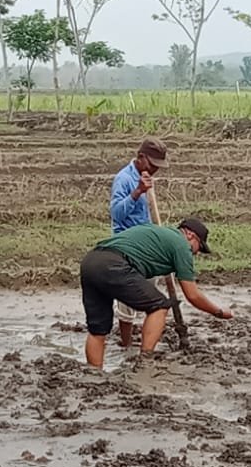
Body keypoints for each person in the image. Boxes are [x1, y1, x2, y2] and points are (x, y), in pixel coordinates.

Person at [79, 218, 232, 368]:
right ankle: (145, 361)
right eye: (199, 247)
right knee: (159, 306)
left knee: (97, 330)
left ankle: (94, 373)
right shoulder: (181, 245)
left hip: (91, 262)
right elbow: (192, 295)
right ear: (190, 235)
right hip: (115, 264)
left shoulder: (162, 234)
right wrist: (218, 312)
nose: (196, 253)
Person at [108, 139, 168, 347]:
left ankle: (145, 339)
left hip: (146, 246)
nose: (155, 170)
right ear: (141, 158)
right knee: (126, 299)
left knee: (150, 293)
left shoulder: (146, 178)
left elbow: (148, 216)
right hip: (127, 247)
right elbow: (116, 214)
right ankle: (126, 344)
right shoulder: (124, 179)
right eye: (152, 165)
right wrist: (137, 192)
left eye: (158, 167)